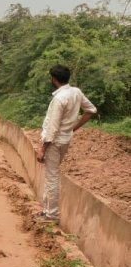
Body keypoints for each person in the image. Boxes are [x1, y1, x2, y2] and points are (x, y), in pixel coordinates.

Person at [33, 65, 97, 223]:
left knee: (52, 177)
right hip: (64, 140)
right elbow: (90, 110)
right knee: (51, 175)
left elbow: (52, 128)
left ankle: (51, 215)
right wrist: (72, 128)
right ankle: (47, 211)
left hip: (54, 143)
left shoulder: (59, 99)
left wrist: (42, 150)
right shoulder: (76, 92)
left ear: (54, 79)